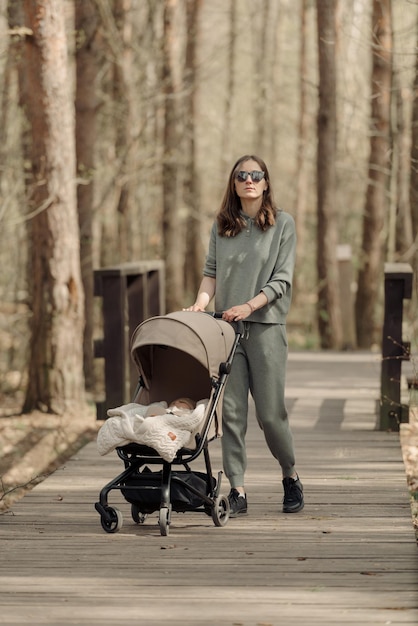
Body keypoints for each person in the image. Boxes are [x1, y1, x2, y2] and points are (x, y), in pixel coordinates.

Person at [185, 154, 303, 517]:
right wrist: (200, 303)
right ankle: (237, 488)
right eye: (241, 176)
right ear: (233, 184)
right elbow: (211, 272)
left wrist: (249, 306)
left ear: (266, 183)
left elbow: (281, 281)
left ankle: (290, 474)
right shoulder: (222, 227)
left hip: (266, 329)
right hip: (226, 331)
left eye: (256, 175)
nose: (249, 180)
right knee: (232, 413)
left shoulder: (283, 225)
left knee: (270, 414)